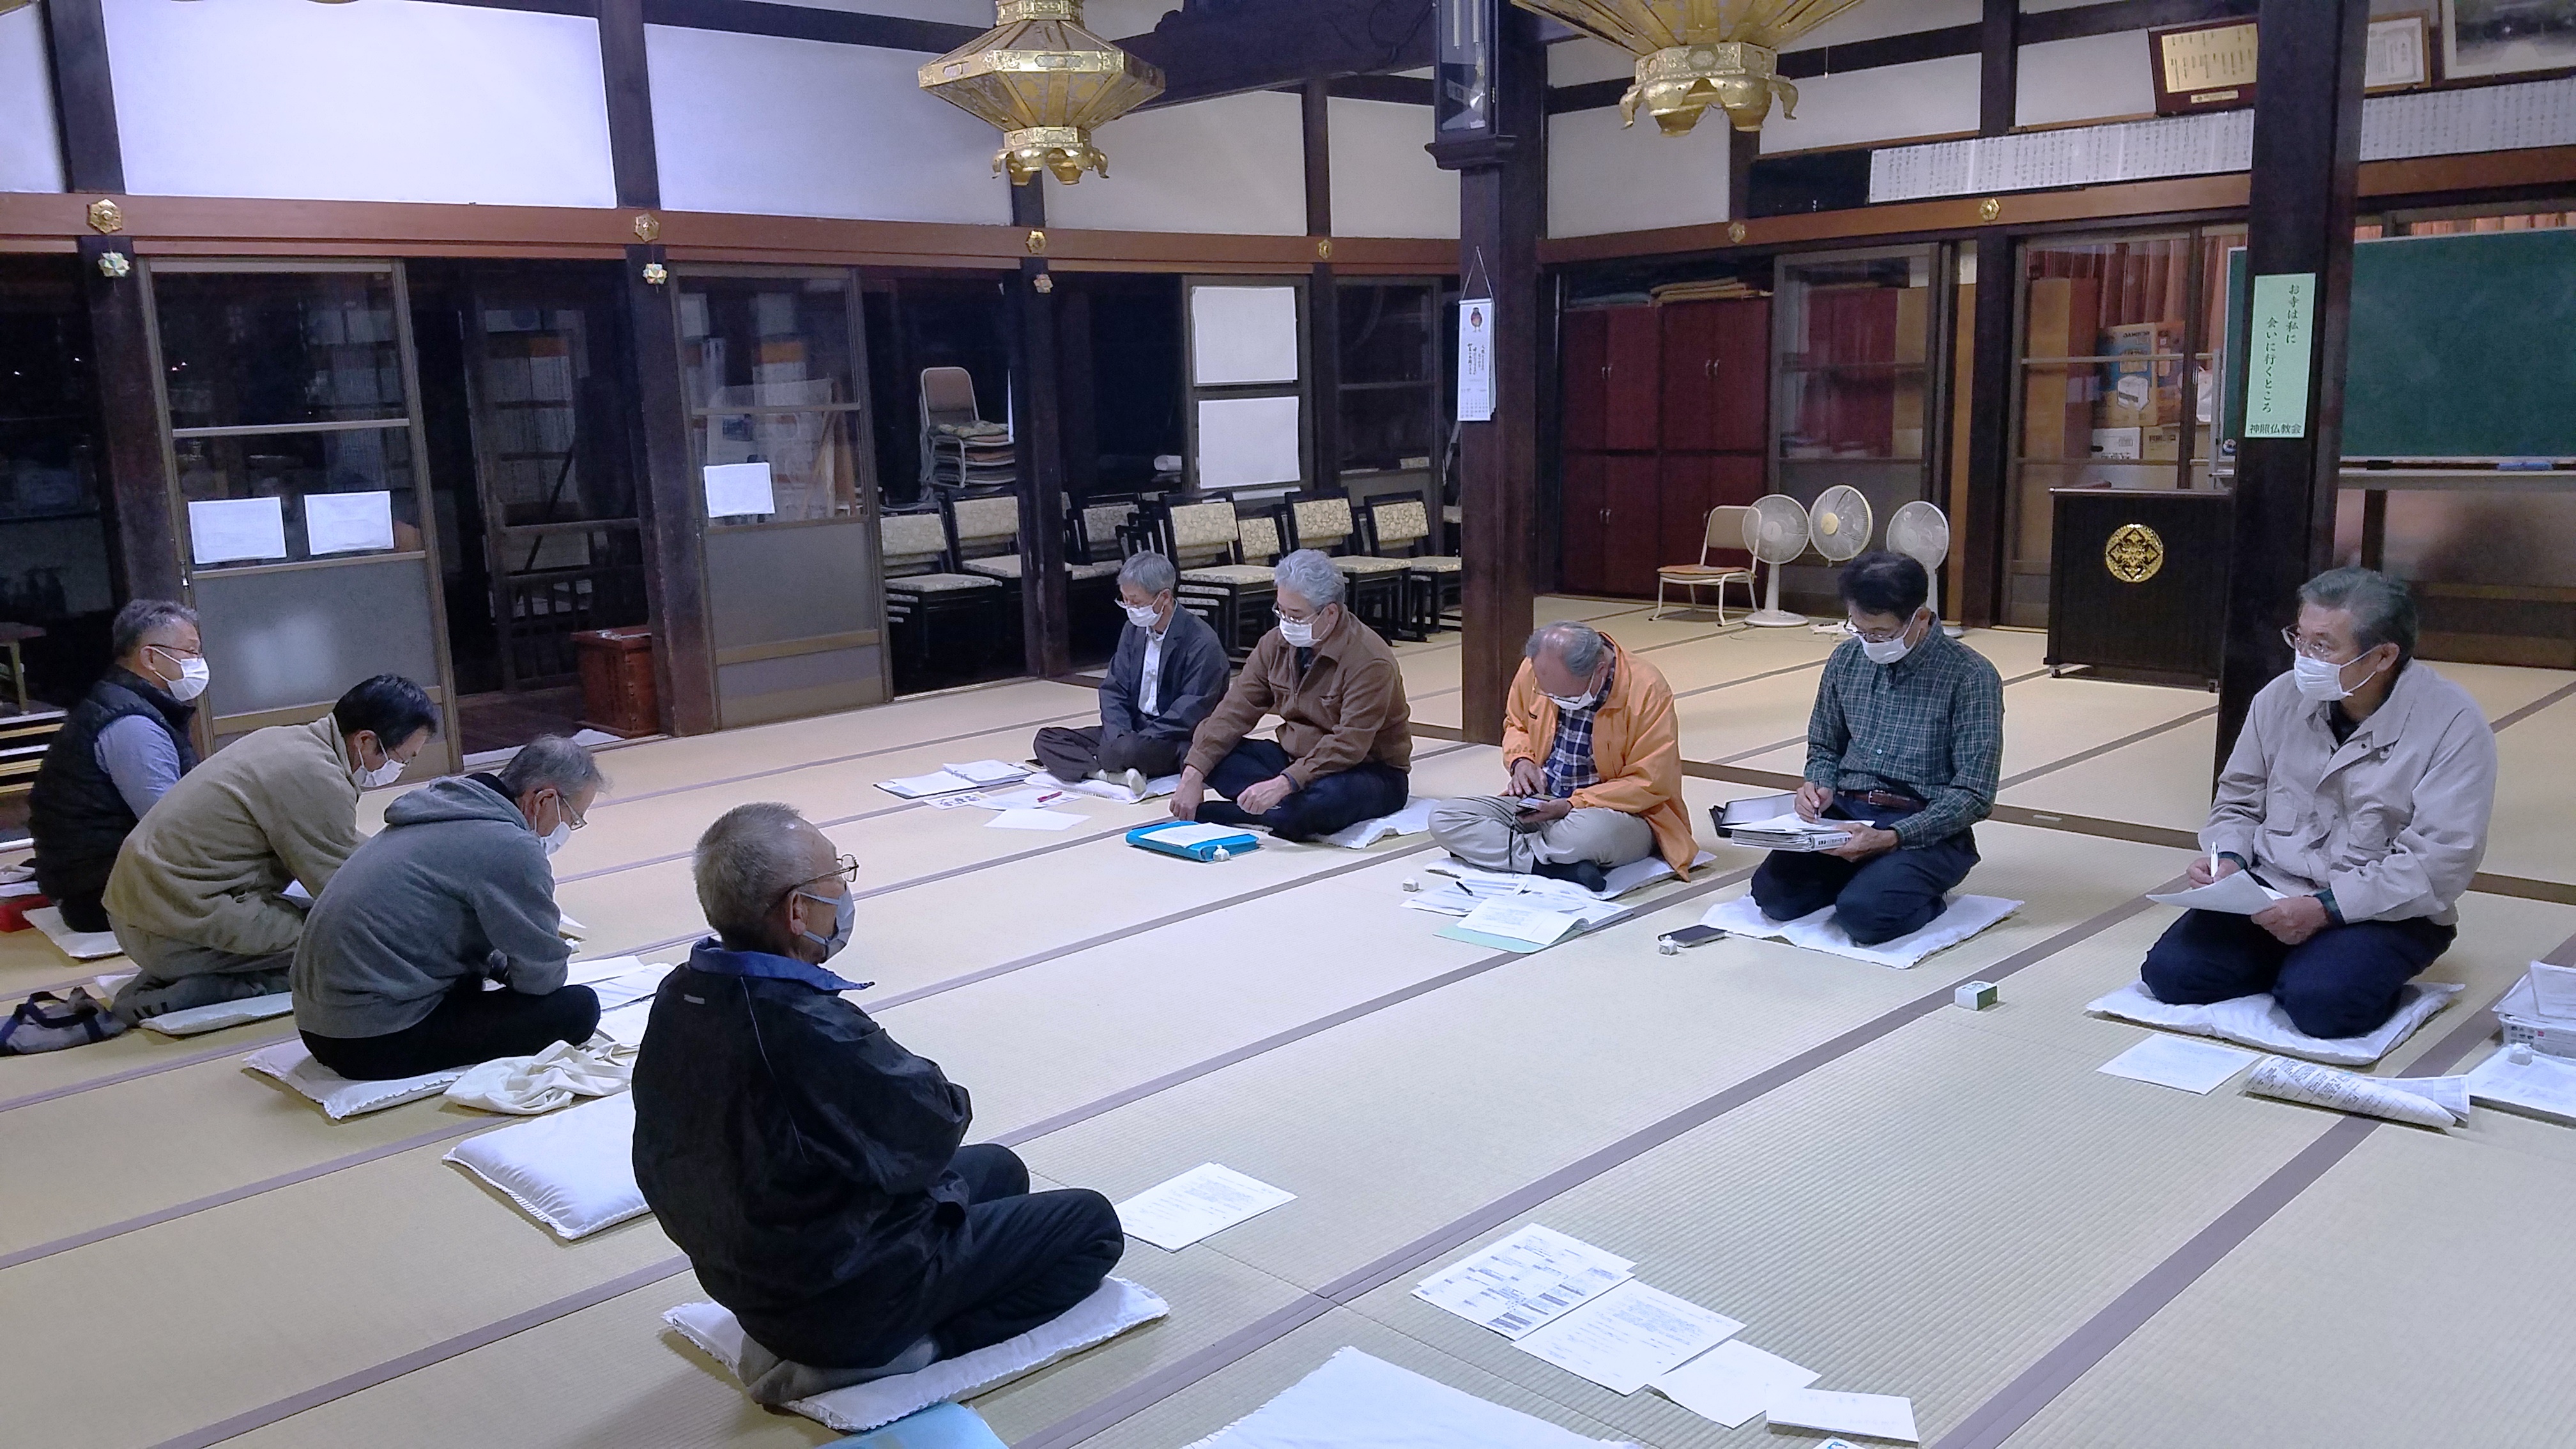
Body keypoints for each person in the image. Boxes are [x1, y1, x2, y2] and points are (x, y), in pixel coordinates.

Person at [632, 802, 1124, 1395]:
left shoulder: (683, 991)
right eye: (835, 877)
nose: (844, 892)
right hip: (845, 1295)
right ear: (797, 911)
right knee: (1093, 1226)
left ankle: (851, 1323)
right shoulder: (807, 1027)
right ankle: (913, 1350)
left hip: (757, 1272)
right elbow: (935, 1124)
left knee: (1001, 1169)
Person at [2141, 567, 2495, 1039]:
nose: (2304, 658)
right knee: (2172, 976)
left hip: (2382, 908)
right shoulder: (2279, 699)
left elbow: (2440, 864)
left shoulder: (2453, 724)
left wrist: (2324, 909)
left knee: (2324, 1008)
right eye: (2300, 639)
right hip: (2270, 892)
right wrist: (2227, 859)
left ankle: (2317, 971)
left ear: (2383, 655)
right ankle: (2300, 965)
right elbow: (2238, 801)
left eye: (2323, 647)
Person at [102, 674, 439, 1022]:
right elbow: (348, 891)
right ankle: (217, 988)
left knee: (330, 921)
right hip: (171, 931)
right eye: (403, 759)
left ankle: (186, 973)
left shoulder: (289, 742)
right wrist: (432, 915)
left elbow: (339, 844)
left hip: (148, 913)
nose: (401, 769)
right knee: (362, 945)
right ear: (366, 741)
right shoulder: (316, 775)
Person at [291, 736, 606, 1080]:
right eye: (573, 819)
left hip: (316, 1022)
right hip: (372, 1038)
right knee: (578, 1009)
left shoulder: (443, 809)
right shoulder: (510, 847)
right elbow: (541, 979)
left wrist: (503, 964)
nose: (567, 830)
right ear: (544, 799)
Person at [1749, 551, 2002, 946]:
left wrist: (1892, 838)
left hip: (1925, 825)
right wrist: (1818, 786)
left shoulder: (1971, 676)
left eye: (1881, 634)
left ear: (1920, 618)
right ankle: (1867, 877)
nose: (1869, 642)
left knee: (1865, 918)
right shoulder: (1846, 659)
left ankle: (1910, 890)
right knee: (1773, 897)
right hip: (1847, 815)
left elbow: (1974, 794)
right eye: (1859, 629)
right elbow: (1825, 745)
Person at [1429, 621, 1694, 891]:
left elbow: (1650, 782)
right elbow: (1517, 724)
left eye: (1564, 695)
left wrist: (1572, 804)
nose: (1554, 699)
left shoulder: (1646, 688)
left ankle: (1512, 853)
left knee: (1587, 835)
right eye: (1547, 693)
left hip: (1614, 813)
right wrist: (1521, 761)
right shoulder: (1535, 669)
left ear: (1600, 671)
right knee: (1445, 817)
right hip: (1542, 804)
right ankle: (1552, 865)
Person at [1172, 549, 1412, 841]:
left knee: (1318, 805)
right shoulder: (1275, 644)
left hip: (1364, 770)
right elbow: (1236, 708)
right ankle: (1278, 811)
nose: (1286, 622)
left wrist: (1284, 784)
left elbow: (1350, 744)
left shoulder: (1369, 660)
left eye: (1296, 615)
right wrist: (1193, 774)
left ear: (1330, 613)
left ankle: (1243, 812)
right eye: (1281, 611)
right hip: (1293, 759)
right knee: (1198, 748)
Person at [27, 600, 208, 933]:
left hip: (100, 880)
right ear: (151, 658)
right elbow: (169, 825)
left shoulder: (121, 702)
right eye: (191, 652)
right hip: (102, 891)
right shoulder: (131, 723)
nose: (198, 663)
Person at [1032, 552, 1228, 792]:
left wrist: (1132, 740)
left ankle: (1111, 763)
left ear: (1164, 597)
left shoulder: (1201, 641)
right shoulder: (1133, 631)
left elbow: (1191, 710)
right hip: (1131, 729)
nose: (1130, 608)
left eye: (1136, 602)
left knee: (1125, 750)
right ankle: (1105, 775)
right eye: (1125, 600)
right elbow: (1114, 689)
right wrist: (1118, 732)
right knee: (1047, 739)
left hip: (1171, 736)